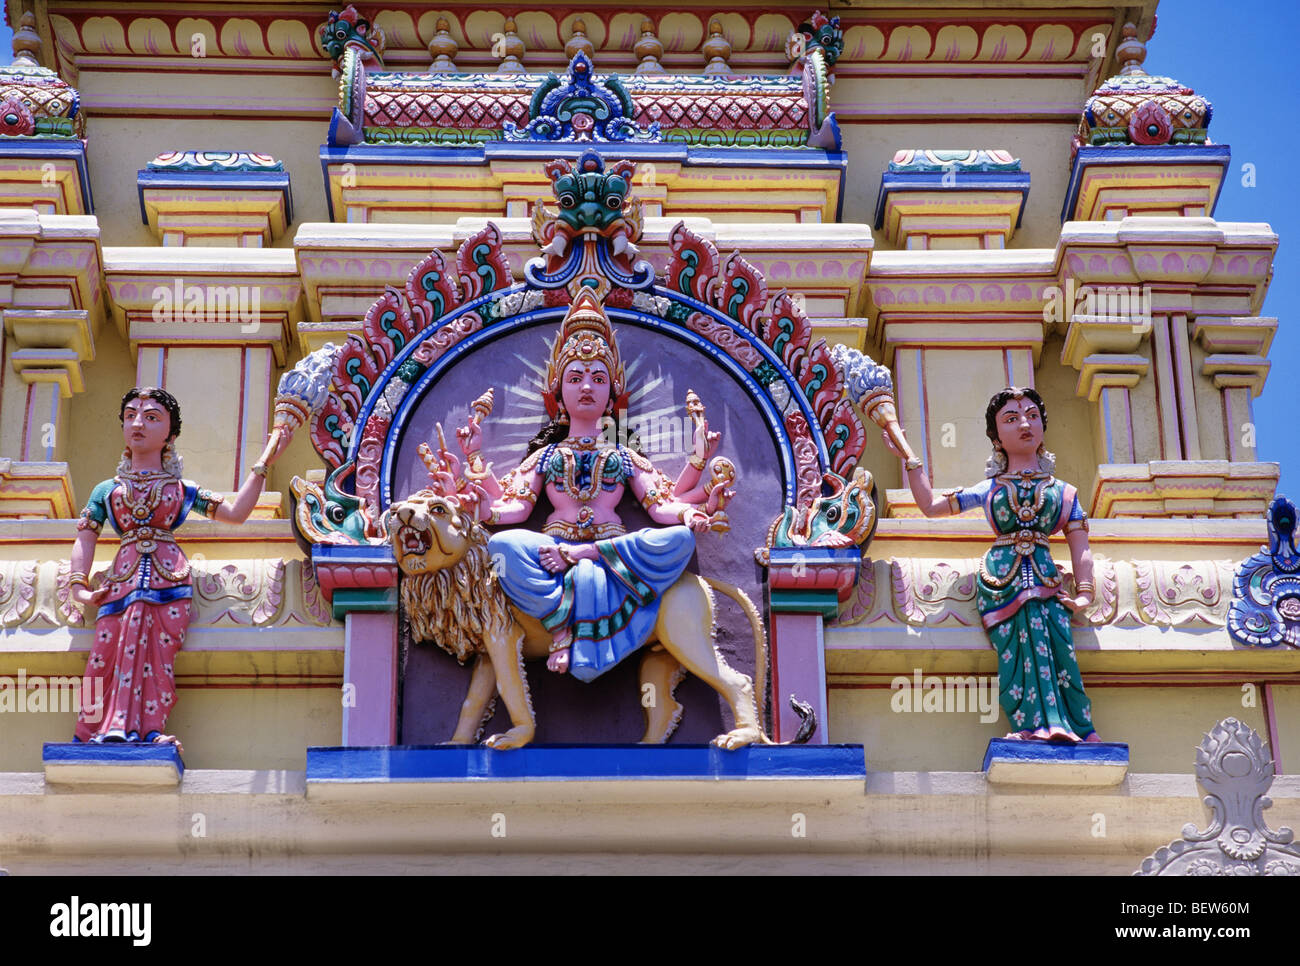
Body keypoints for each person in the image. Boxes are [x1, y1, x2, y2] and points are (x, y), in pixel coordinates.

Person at [455, 292, 730, 683]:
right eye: (576, 378)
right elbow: (514, 509)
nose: (587, 386)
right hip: (551, 550)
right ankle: (564, 617)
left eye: (598, 378)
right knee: (502, 546)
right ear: (558, 392)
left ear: (612, 392)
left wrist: (689, 513)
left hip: (608, 552)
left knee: (680, 540)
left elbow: (658, 507)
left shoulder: (624, 455)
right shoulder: (546, 456)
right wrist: (483, 505)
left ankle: (580, 575)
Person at [67, 387, 291, 749]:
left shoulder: (182, 489)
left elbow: (235, 514)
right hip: (119, 583)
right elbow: (86, 536)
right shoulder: (106, 490)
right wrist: (78, 586)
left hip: (169, 581)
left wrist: (266, 461)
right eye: (130, 415)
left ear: (170, 434)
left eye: (151, 416)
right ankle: (96, 730)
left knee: (157, 656)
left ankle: (150, 729)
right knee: (106, 654)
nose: (138, 423)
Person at [882, 386, 1100, 742]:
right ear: (996, 436)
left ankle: (1077, 727)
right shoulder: (991, 489)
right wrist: (910, 459)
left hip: (1048, 582)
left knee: (1059, 648)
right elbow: (932, 507)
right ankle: (1030, 725)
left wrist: (1086, 594)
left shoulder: (1065, 493)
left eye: (1031, 415)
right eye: (1011, 419)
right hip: (1002, 583)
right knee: (1016, 652)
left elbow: (1081, 547)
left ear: (1043, 426)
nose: (1024, 423)